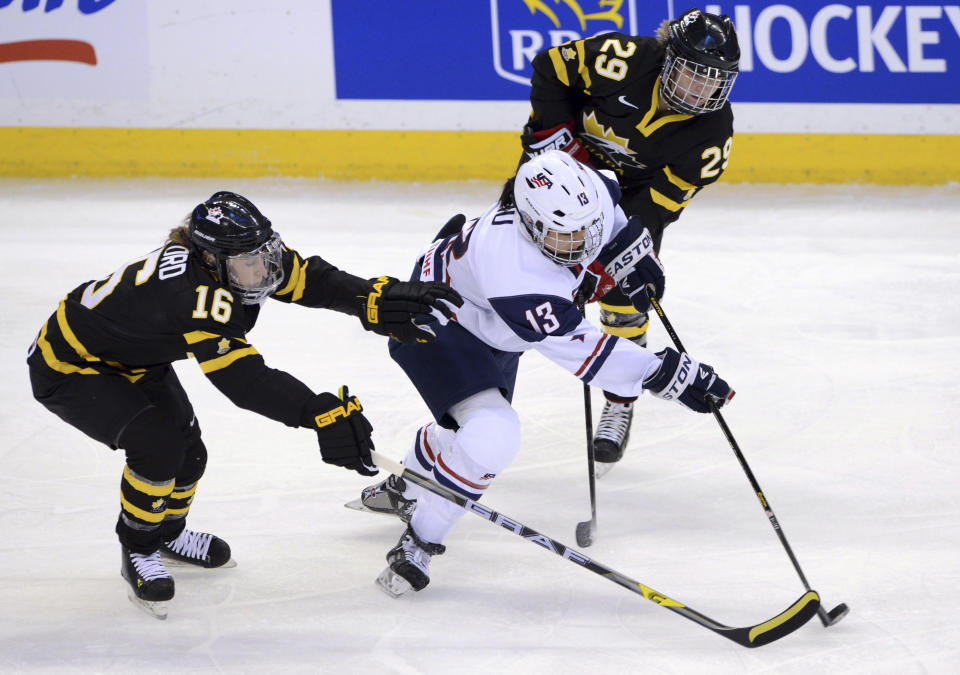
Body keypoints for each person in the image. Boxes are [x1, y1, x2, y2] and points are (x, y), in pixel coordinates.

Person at [26, 191, 462, 619]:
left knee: (190, 452)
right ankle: (137, 548)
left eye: (263, 256)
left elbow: (311, 279)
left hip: (136, 356)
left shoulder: (241, 256)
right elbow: (243, 380)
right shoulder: (192, 295)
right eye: (248, 264)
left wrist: (369, 299)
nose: (262, 271)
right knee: (158, 448)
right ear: (210, 260)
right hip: (71, 365)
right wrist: (317, 412)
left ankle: (167, 534)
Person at [358, 151, 733, 596]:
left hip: (494, 327)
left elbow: (609, 219)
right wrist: (668, 374)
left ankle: (413, 476)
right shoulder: (514, 272)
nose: (580, 240)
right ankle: (420, 539)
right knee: (492, 434)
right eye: (566, 234)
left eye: (585, 228)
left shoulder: (589, 189)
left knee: (471, 433)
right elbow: (587, 354)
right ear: (531, 224)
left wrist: (632, 256)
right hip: (436, 320)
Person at [519, 8, 740, 470]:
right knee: (513, 268)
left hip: (629, 200)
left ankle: (620, 399)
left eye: (713, 81)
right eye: (693, 75)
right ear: (667, 58)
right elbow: (550, 68)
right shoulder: (623, 59)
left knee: (626, 291)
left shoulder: (712, 136)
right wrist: (553, 136)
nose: (701, 91)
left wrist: (614, 245)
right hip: (563, 175)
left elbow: (659, 205)